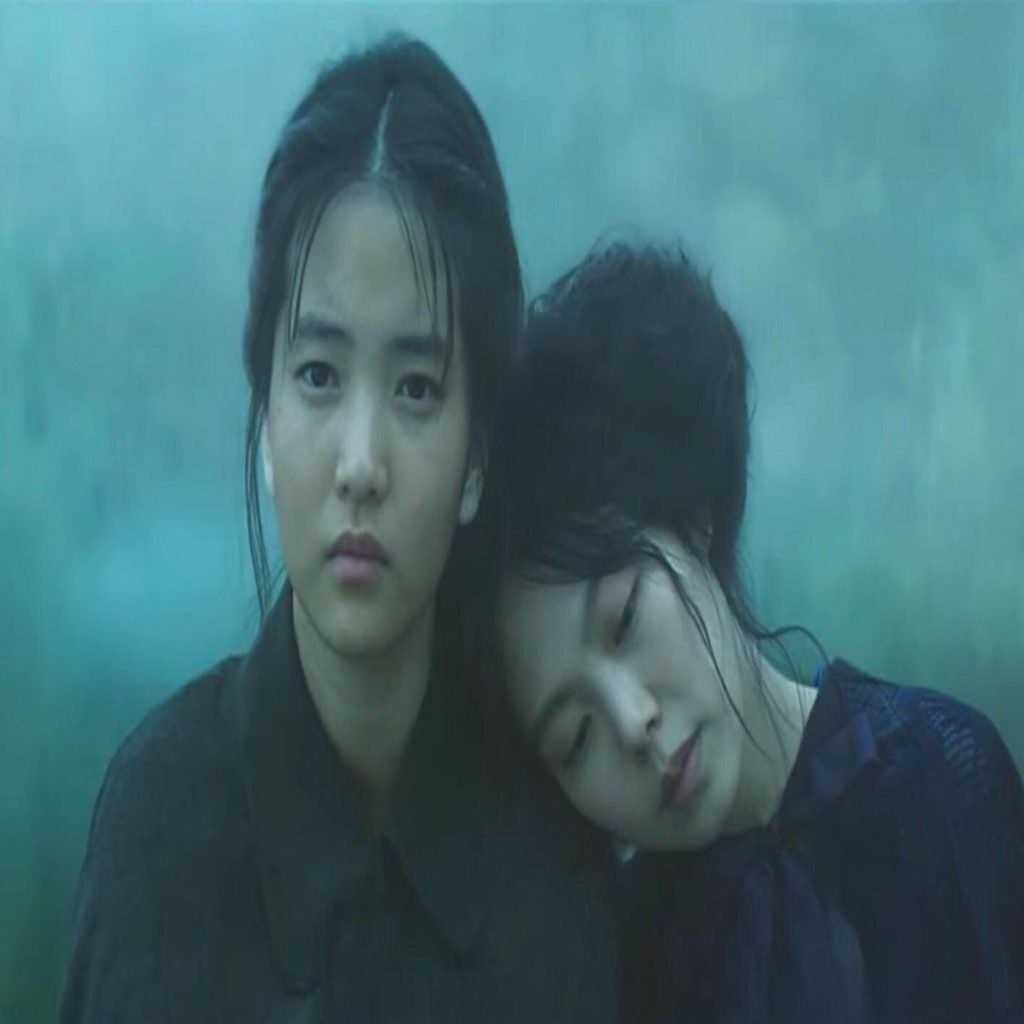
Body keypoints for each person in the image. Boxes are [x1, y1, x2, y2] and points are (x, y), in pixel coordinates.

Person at [60, 36, 620, 1023]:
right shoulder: (160, 823)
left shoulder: (555, 860)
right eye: (318, 375)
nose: (361, 463)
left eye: (416, 389)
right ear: (266, 416)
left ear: (476, 456)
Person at [491, 241, 1024, 1023]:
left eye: (626, 619)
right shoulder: (625, 970)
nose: (632, 723)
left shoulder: (944, 772)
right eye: (575, 737)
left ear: (693, 520)